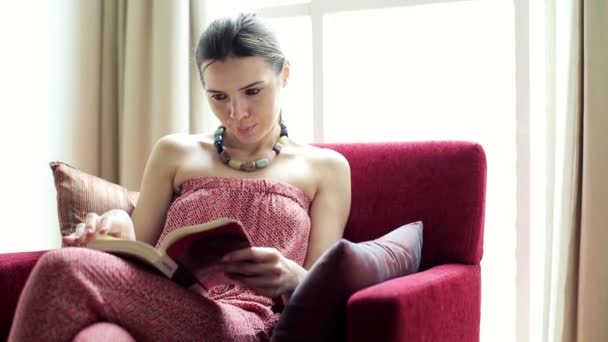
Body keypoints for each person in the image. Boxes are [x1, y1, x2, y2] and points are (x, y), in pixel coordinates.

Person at [8, 12, 351, 342]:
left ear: (285, 74)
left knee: (61, 269)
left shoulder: (326, 168)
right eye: (218, 97)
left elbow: (326, 295)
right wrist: (114, 230)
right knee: (99, 336)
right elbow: (140, 255)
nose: (237, 113)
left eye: (252, 91)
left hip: (246, 325)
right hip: (163, 307)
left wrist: (291, 277)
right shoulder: (174, 152)